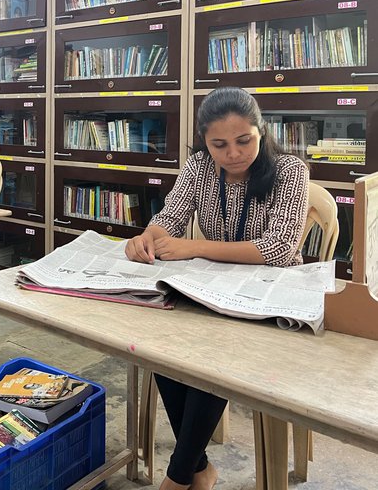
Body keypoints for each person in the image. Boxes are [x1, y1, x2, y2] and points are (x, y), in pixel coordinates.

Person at [124, 87, 309, 490]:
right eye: (219, 145)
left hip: (272, 300)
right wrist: (146, 238)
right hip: (215, 290)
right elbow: (170, 218)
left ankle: (178, 477)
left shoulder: (290, 170)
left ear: (261, 131)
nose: (233, 154)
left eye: (244, 141)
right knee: (163, 347)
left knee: (216, 358)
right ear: (204, 143)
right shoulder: (198, 169)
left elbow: (279, 248)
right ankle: (200, 468)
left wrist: (193, 247)